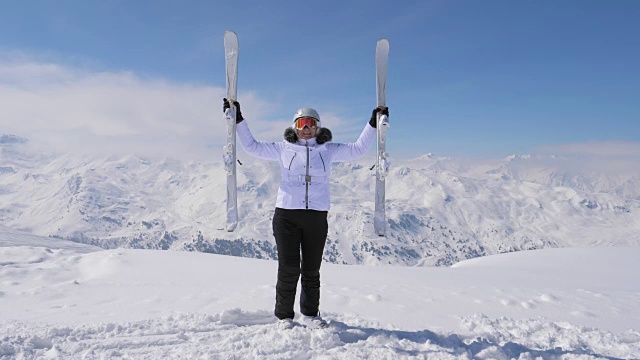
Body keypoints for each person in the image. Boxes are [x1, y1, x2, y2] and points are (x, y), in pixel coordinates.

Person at [223, 98, 389, 330]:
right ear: (294, 127)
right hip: (287, 215)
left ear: (318, 127)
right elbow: (251, 146)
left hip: (316, 216)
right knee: (289, 268)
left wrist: (373, 123)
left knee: (311, 269)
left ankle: (311, 315)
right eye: (301, 123)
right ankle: (284, 317)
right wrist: (238, 119)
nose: (306, 128)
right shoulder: (282, 148)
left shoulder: (328, 150)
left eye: (311, 123)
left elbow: (358, 149)